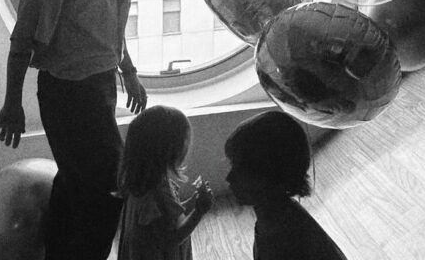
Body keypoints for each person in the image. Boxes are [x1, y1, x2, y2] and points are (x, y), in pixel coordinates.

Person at [0, 0, 149, 260]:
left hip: (99, 87)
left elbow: (111, 27)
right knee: (109, 185)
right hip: (70, 95)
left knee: (77, 184)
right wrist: (12, 104)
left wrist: (128, 72)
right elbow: (23, 39)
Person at [224, 111, 349, 260]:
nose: (229, 178)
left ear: (268, 175)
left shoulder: (283, 235)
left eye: (240, 169)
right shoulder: (277, 217)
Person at [117, 105, 214, 260]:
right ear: (170, 150)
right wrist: (199, 212)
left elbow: (171, 215)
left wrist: (193, 202)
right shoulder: (157, 196)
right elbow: (172, 239)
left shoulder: (143, 183)